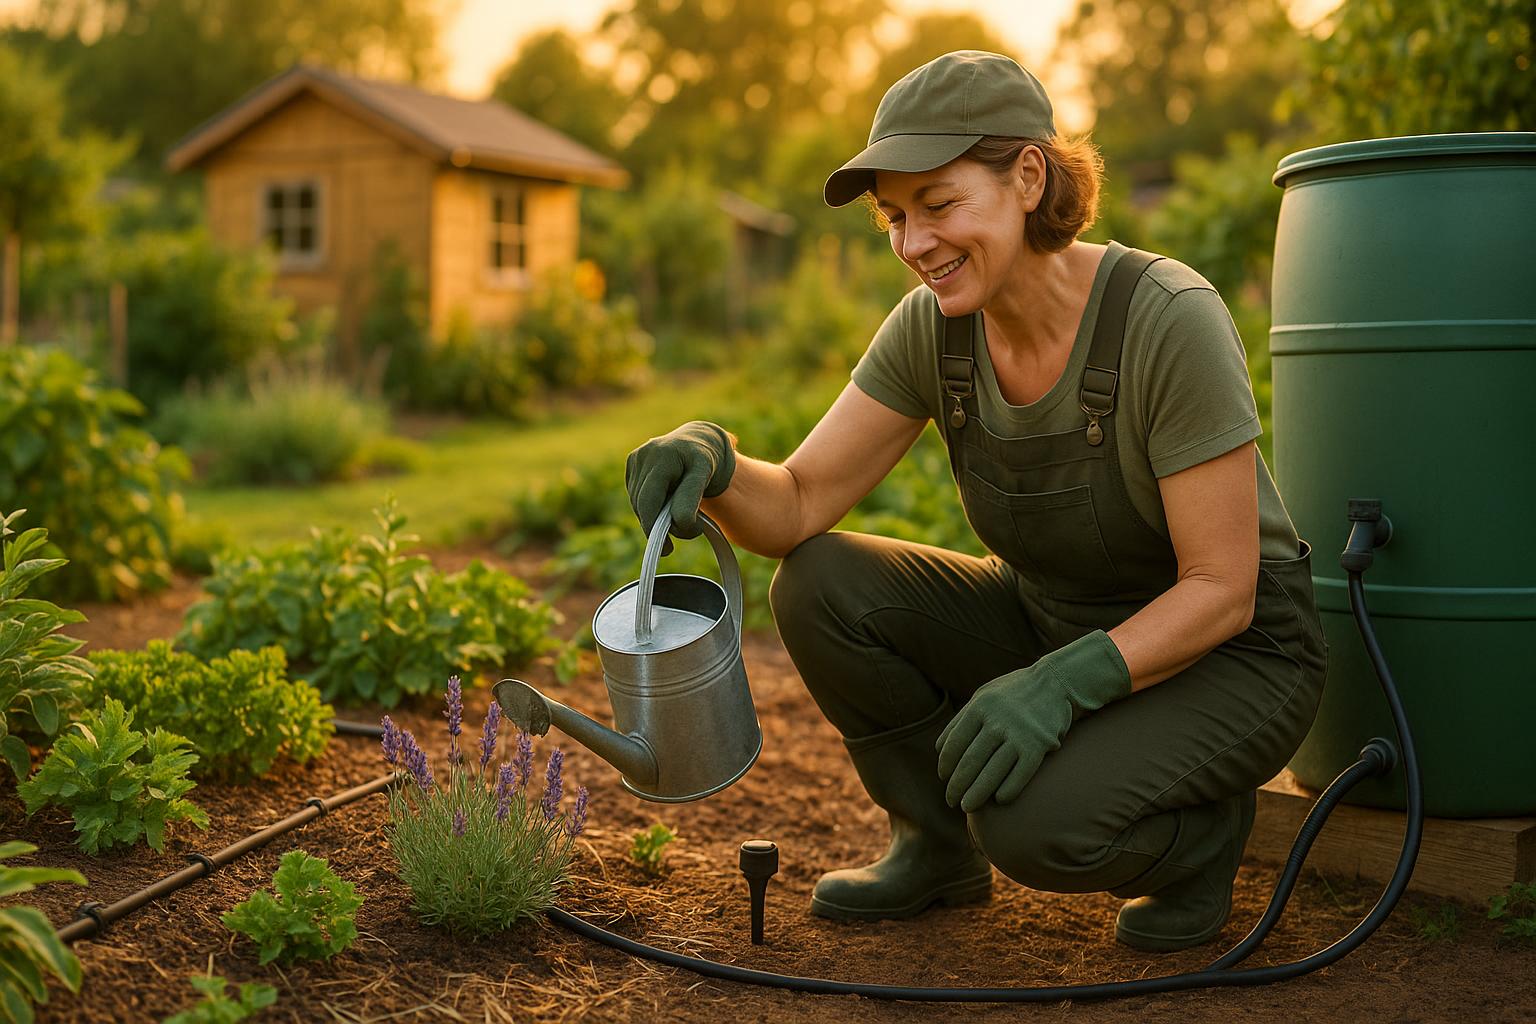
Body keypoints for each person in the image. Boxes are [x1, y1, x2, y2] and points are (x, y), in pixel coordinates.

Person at [624, 50, 1327, 953]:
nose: (915, 243)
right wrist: (714, 458)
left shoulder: (1164, 318)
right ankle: (934, 847)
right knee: (821, 582)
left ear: (1028, 177)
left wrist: (1061, 685)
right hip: (1054, 620)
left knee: (1031, 825)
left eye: (940, 204)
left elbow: (1223, 588)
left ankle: (1200, 845)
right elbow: (796, 503)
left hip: (1233, 658)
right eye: (896, 217)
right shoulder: (936, 328)